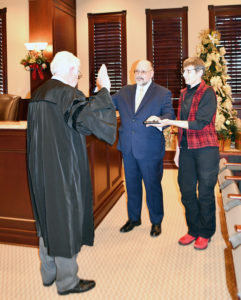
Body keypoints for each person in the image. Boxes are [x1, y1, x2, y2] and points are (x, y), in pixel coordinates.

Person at [27, 51, 116, 295]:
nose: (78, 75)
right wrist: (103, 91)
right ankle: (67, 282)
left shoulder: (37, 94)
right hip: (63, 169)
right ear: (67, 70)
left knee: (46, 217)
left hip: (40, 168)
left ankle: (49, 273)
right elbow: (87, 122)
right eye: (77, 70)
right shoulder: (68, 94)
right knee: (65, 220)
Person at [146, 57, 219, 250]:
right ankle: (193, 229)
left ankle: (206, 232)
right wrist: (178, 150)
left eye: (188, 71)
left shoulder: (208, 93)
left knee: (204, 192)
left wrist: (168, 122)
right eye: (184, 71)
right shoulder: (184, 92)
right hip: (186, 148)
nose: (184, 74)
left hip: (206, 148)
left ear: (200, 72)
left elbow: (199, 123)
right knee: (186, 192)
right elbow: (182, 123)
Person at [112, 59, 175, 237]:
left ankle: (156, 221)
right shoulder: (124, 91)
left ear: (152, 73)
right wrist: (101, 87)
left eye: (144, 71)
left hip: (150, 149)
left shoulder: (162, 93)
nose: (139, 74)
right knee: (131, 185)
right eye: (137, 71)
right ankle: (134, 218)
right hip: (128, 147)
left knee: (152, 186)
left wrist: (160, 121)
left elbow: (170, 114)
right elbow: (108, 103)